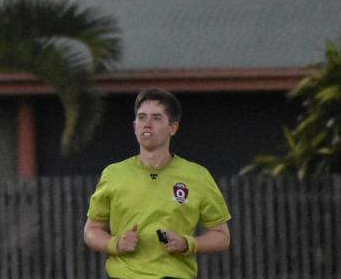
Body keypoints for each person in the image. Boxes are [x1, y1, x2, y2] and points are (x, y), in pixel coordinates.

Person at [83, 88, 232, 279]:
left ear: (173, 127)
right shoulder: (113, 174)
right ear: (134, 125)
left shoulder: (197, 176)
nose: (147, 124)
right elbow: (91, 230)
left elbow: (222, 236)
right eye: (142, 117)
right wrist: (116, 243)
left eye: (156, 118)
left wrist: (188, 243)